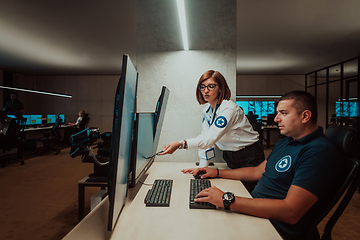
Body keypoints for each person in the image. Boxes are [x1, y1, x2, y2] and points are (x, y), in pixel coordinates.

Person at [182, 91, 342, 240]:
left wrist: (227, 199)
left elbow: (291, 211)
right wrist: (216, 172)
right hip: (258, 213)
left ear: (305, 116)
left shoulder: (318, 152)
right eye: (278, 112)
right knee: (197, 220)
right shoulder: (287, 142)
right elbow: (257, 171)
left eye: (284, 113)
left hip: (274, 228)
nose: (276, 118)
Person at [159, 70, 264, 170]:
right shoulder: (207, 111)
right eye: (203, 87)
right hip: (230, 156)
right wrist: (202, 168)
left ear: (220, 89)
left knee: (246, 189)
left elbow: (208, 139)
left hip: (249, 155)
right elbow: (206, 140)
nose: (206, 90)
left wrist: (180, 144)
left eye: (211, 86)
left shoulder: (228, 109)